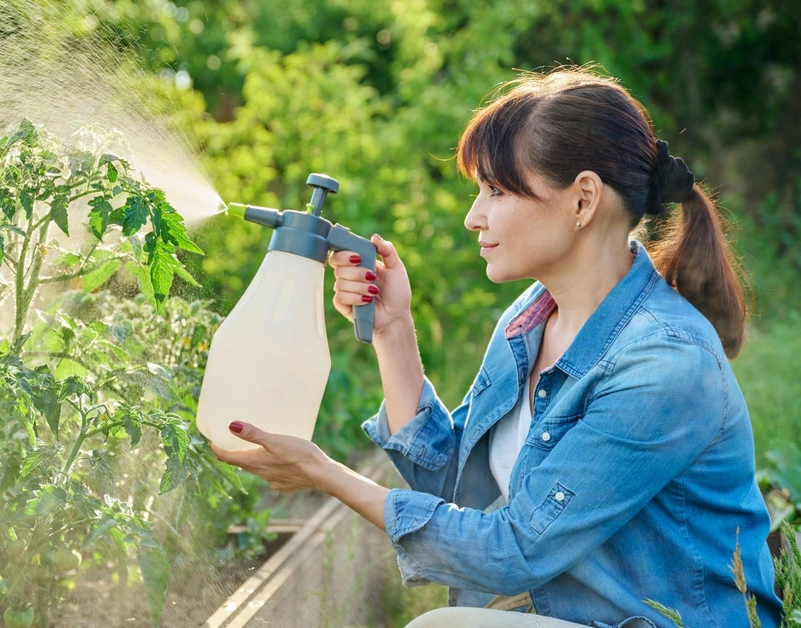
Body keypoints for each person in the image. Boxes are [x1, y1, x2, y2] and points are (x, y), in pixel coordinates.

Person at [208, 66, 783, 627]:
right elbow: (462, 491)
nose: (472, 217)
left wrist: (322, 472)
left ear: (583, 201)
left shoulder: (664, 363)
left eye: (496, 190)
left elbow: (512, 552)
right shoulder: (529, 319)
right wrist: (393, 330)